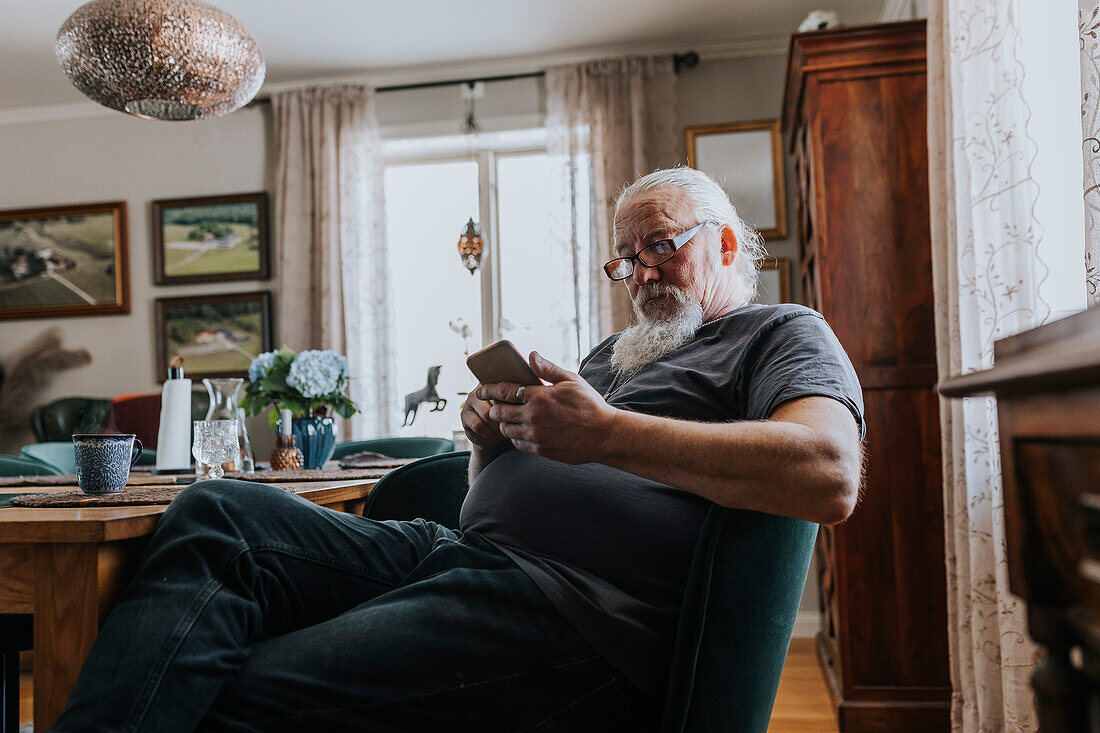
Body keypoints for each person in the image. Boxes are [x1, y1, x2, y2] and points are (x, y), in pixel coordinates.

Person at [52, 167, 863, 733]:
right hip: (455, 554)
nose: (640, 272)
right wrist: (490, 443)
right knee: (218, 510)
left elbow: (829, 474)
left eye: (660, 245)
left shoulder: (781, 333)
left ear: (726, 245)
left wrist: (604, 432)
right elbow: (518, 486)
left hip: (567, 611)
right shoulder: (617, 356)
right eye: (626, 258)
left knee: (224, 684)